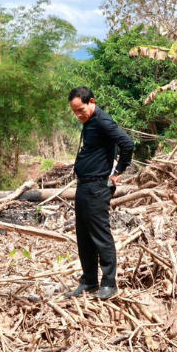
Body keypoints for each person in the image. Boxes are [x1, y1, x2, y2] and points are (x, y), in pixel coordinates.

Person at [66, 87, 134, 302]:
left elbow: (127, 143)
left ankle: (109, 283)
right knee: (84, 235)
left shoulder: (103, 120)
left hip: (97, 187)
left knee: (100, 235)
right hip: (84, 185)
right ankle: (88, 281)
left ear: (92, 102)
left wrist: (118, 171)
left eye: (81, 110)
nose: (78, 115)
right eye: (75, 111)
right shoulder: (90, 121)